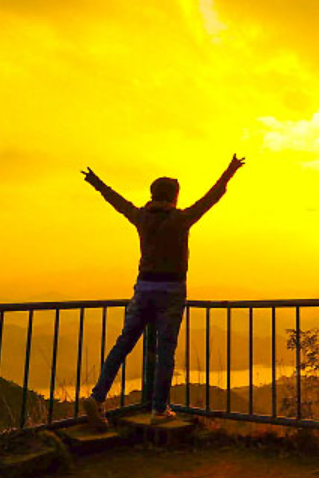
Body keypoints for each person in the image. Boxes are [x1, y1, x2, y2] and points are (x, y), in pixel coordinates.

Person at [79, 155, 245, 429]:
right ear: (175, 197)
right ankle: (159, 408)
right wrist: (229, 172)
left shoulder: (141, 216)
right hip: (172, 290)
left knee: (124, 343)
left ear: (153, 194)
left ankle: (97, 396)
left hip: (143, 288)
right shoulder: (181, 219)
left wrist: (95, 182)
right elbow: (211, 198)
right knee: (165, 351)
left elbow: (117, 201)